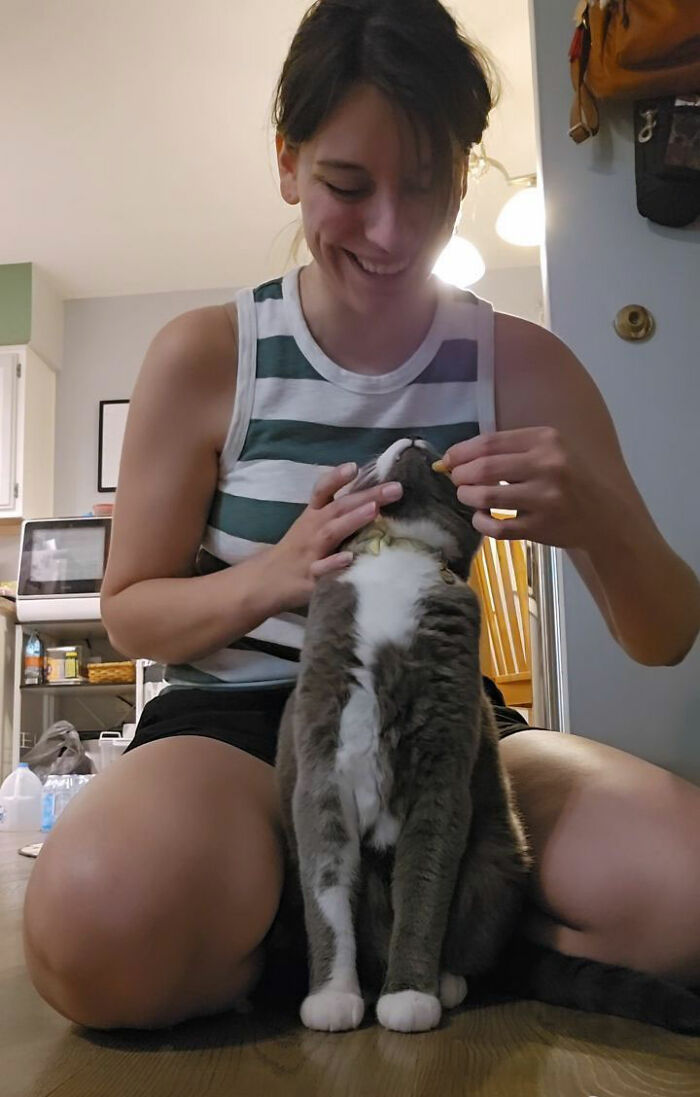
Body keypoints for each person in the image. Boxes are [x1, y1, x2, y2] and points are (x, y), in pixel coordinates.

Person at [23, 0, 700, 1031]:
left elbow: (664, 632)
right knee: (95, 936)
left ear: (466, 172)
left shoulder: (518, 362)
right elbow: (129, 614)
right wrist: (280, 571)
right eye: (348, 185)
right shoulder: (209, 355)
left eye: (428, 186)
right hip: (240, 728)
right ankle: (321, 926)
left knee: (685, 890)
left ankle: (402, 926)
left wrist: (602, 517)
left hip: (444, 724)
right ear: (289, 163)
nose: (392, 231)